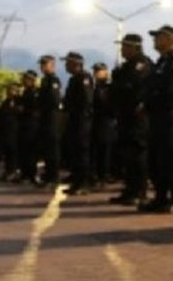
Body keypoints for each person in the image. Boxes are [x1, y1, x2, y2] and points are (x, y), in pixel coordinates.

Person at [142, 25, 173, 213]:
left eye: (159, 37)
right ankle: (161, 196)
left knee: (172, 158)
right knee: (158, 157)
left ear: (171, 40)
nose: (155, 40)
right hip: (157, 115)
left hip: (171, 115)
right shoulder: (160, 63)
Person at [110, 34, 153, 205]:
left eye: (125, 46)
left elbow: (134, 88)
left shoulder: (142, 64)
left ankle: (139, 191)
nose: (122, 50)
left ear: (135, 47)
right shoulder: (126, 66)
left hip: (137, 117)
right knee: (127, 155)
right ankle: (129, 190)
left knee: (137, 155)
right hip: (125, 116)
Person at [62, 52, 94, 195]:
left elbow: (86, 100)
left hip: (81, 120)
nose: (66, 66)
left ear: (76, 64)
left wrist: (79, 113)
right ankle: (76, 182)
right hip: (74, 119)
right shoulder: (74, 79)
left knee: (82, 153)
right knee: (75, 152)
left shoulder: (84, 78)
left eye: (68, 63)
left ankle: (83, 183)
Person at [36, 55, 62, 188]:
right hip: (45, 119)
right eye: (41, 64)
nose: (42, 67)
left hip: (52, 118)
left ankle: (54, 177)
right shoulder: (45, 80)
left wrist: (43, 106)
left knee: (52, 149)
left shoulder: (53, 80)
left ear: (52, 65)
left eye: (45, 64)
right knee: (47, 149)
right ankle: (48, 175)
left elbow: (54, 100)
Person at [90, 62, 115, 190]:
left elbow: (109, 104)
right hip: (96, 121)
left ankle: (104, 177)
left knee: (104, 151)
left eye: (99, 71)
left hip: (107, 122)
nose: (96, 73)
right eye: (95, 71)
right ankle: (96, 176)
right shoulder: (95, 87)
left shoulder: (109, 87)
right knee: (96, 150)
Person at [16, 70, 39, 183]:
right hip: (24, 124)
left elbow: (34, 108)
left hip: (31, 124)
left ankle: (30, 174)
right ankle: (24, 173)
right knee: (23, 151)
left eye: (25, 79)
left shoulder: (34, 92)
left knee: (30, 151)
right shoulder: (25, 92)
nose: (22, 81)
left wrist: (24, 109)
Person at [0, 83, 21, 181]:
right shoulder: (6, 101)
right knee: (7, 152)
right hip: (5, 130)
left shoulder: (18, 100)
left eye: (13, 90)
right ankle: (8, 171)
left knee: (13, 152)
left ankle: (14, 171)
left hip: (15, 130)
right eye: (9, 90)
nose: (11, 92)